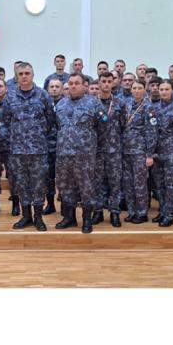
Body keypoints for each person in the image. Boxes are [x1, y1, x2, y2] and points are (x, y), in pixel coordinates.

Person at [2, 62, 56, 231]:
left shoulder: (43, 95)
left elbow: (50, 120)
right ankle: (26, 216)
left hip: (38, 150)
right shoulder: (10, 97)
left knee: (39, 184)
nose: (24, 76)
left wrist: (39, 137)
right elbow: (6, 121)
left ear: (33, 75)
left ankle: (38, 217)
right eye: (21, 74)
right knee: (21, 183)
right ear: (16, 76)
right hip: (17, 151)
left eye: (27, 73)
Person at [53, 73, 107, 233]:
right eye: (70, 83)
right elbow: (57, 126)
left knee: (86, 187)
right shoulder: (61, 104)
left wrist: (90, 145)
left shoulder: (94, 103)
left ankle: (87, 219)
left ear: (85, 86)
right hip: (64, 155)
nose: (73, 86)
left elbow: (104, 127)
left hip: (85, 156)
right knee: (65, 186)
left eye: (77, 83)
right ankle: (69, 217)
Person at [150, 80, 173, 227]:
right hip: (156, 151)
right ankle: (162, 211)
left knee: (170, 184)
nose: (164, 92)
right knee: (159, 184)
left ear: (172, 91)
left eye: (166, 89)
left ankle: (169, 214)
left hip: (171, 151)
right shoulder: (153, 108)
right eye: (161, 89)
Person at [122, 80, 158, 224]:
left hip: (140, 152)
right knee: (128, 183)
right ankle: (132, 211)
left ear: (144, 90)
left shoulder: (149, 108)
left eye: (139, 88)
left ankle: (142, 213)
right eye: (134, 88)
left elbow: (152, 132)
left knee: (140, 184)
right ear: (131, 90)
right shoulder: (127, 105)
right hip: (126, 151)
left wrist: (149, 154)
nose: (136, 90)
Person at [94, 72, 126, 227]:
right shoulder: (91, 103)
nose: (106, 84)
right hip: (96, 150)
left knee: (115, 182)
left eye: (109, 81)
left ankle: (114, 212)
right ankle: (98, 212)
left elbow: (123, 125)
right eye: (103, 81)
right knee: (97, 182)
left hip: (114, 150)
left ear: (113, 83)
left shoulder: (120, 103)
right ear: (99, 83)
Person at [0, 78, 17, 216]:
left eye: (1, 86)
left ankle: (16, 204)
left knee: (13, 176)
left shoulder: (13, 102)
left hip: (10, 145)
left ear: (6, 88)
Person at [45, 78, 64, 214]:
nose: (54, 89)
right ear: (48, 89)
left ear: (62, 89)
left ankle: (65, 206)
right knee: (48, 178)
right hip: (46, 146)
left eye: (57, 86)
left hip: (63, 147)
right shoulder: (43, 103)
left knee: (64, 178)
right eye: (52, 86)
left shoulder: (67, 104)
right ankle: (50, 204)